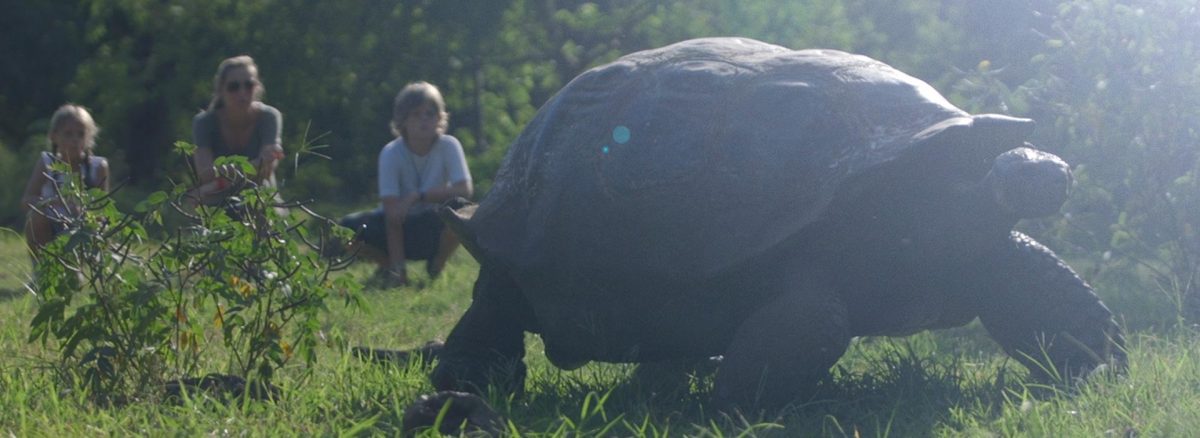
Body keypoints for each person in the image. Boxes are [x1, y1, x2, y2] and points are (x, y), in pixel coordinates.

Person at [340, 81, 473, 287]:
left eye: (430, 113)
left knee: (463, 208)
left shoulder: (449, 145)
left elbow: (464, 189)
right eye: (416, 114)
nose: (424, 120)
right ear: (403, 119)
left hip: (433, 226)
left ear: (440, 117)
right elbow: (392, 214)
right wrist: (398, 268)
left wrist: (416, 196)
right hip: (398, 227)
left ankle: (438, 263)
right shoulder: (391, 153)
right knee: (345, 230)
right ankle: (388, 267)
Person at [188, 55, 284, 206]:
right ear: (221, 90)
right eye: (234, 87)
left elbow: (266, 171)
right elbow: (204, 174)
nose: (242, 92)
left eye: (249, 85)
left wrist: (218, 182)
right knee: (198, 203)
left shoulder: (269, 117)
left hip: (259, 197)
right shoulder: (204, 122)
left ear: (257, 87)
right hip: (218, 198)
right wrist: (255, 164)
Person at [20, 104, 110, 251]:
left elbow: (104, 210)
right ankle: (43, 269)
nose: (75, 140)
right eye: (68, 134)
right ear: (54, 136)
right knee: (35, 216)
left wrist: (84, 210)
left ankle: (83, 268)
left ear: (89, 137)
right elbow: (27, 201)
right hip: (51, 226)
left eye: (80, 134)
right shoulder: (47, 162)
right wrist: (56, 203)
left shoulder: (98, 167)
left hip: (84, 228)